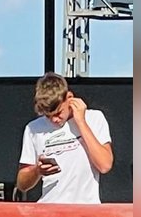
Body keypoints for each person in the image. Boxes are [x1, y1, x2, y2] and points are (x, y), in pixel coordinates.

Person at [16, 73, 114, 204]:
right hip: (50, 210)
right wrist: (37, 170)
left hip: (86, 209)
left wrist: (81, 122)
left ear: (69, 98)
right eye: (48, 115)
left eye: (58, 113)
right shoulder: (33, 128)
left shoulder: (94, 118)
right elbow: (22, 184)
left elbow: (105, 165)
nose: (54, 120)